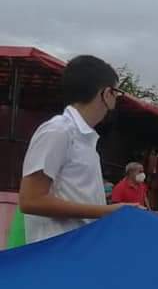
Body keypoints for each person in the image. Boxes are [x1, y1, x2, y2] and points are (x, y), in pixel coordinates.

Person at [18, 55, 131, 244]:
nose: (116, 100)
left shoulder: (84, 138)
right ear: (106, 93)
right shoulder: (59, 130)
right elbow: (31, 200)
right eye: (116, 93)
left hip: (80, 250)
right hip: (56, 254)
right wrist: (107, 212)